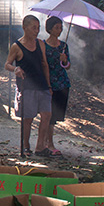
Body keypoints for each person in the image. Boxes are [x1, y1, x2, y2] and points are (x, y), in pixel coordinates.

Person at [4, 14, 52, 158]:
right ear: (24, 28)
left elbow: (44, 64)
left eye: (38, 28)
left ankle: (40, 147)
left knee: (47, 115)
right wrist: (15, 69)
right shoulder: (16, 46)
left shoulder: (40, 44)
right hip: (27, 87)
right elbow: (7, 64)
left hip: (42, 85)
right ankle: (26, 146)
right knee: (28, 119)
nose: (36, 31)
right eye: (33, 28)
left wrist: (49, 85)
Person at [40, 16, 70, 157]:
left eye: (61, 27)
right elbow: (42, 64)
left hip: (62, 84)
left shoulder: (63, 46)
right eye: (57, 27)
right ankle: (48, 144)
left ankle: (48, 142)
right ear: (50, 29)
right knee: (48, 115)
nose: (59, 30)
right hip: (48, 83)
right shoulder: (43, 46)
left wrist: (64, 61)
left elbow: (68, 66)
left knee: (55, 117)